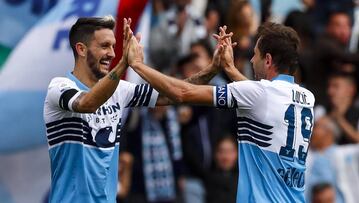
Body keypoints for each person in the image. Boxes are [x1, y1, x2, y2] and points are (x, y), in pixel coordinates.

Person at [43, 16, 234, 203]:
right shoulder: (59, 87)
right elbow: (87, 104)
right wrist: (124, 64)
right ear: (81, 49)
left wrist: (213, 69)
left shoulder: (119, 90)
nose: (111, 53)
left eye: (113, 46)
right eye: (104, 46)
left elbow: (175, 93)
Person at [126, 22, 315, 202]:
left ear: (267, 60)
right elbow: (259, 98)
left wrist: (137, 65)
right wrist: (230, 69)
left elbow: (182, 93)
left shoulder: (260, 94)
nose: (251, 59)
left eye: (255, 54)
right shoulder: (307, 98)